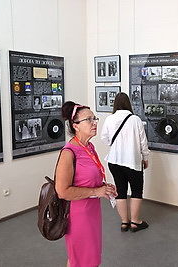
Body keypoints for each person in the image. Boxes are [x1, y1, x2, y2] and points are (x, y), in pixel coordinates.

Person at [55, 101, 117, 267]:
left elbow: (89, 178)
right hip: (78, 215)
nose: (95, 122)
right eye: (89, 120)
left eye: (94, 118)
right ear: (75, 125)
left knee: (82, 258)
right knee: (84, 259)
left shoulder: (89, 147)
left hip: (92, 211)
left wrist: (104, 188)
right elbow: (62, 191)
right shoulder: (68, 153)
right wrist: (97, 191)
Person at [100, 92, 150, 233]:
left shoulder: (110, 119)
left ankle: (124, 222)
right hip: (132, 161)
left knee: (120, 191)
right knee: (136, 190)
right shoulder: (135, 120)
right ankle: (135, 221)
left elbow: (104, 140)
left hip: (114, 161)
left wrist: (117, 144)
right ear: (128, 103)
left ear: (115, 104)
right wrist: (145, 158)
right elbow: (143, 143)